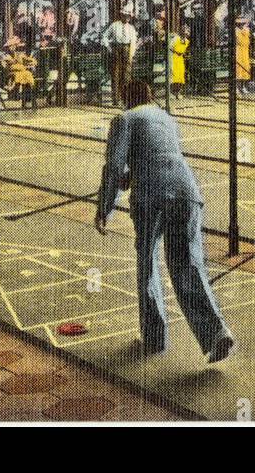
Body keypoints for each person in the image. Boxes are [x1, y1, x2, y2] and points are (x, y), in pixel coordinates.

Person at [96, 80, 234, 362]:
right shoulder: (167, 118)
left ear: (126, 98)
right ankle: (216, 332)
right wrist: (130, 176)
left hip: (151, 197)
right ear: (149, 96)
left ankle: (154, 336)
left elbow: (113, 166)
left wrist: (104, 207)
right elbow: (158, 156)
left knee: (148, 265)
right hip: (186, 192)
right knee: (189, 265)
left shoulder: (124, 119)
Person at [101, 3, 138, 107]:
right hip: (116, 49)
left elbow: (133, 42)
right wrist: (109, 47)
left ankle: (125, 98)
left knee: (126, 76)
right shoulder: (114, 25)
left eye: (129, 16)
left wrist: (131, 55)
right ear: (121, 15)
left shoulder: (131, 28)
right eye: (126, 16)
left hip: (127, 49)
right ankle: (115, 100)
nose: (127, 18)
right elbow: (104, 36)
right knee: (115, 75)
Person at [3, 38, 37, 109]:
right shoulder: (5, 56)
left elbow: (29, 60)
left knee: (28, 75)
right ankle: (17, 93)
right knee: (21, 75)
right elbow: (5, 67)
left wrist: (33, 62)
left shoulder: (19, 54)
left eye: (13, 46)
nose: (11, 48)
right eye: (9, 46)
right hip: (11, 73)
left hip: (22, 72)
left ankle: (29, 100)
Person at [169, 23, 191, 94]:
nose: (186, 33)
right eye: (184, 31)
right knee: (174, 75)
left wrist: (183, 53)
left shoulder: (186, 41)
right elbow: (170, 47)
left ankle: (178, 91)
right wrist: (176, 52)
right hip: (174, 58)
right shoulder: (176, 38)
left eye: (187, 31)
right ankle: (172, 91)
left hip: (180, 59)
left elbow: (185, 50)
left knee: (181, 75)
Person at [234, 15, 253, 94]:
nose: (242, 24)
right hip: (238, 51)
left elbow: (249, 40)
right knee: (239, 69)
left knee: (246, 67)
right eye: (240, 23)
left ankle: (244, 86)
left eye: (243, 23)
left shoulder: (247, 30)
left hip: (245, 51)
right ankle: (238, 87)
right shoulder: (236, 31)